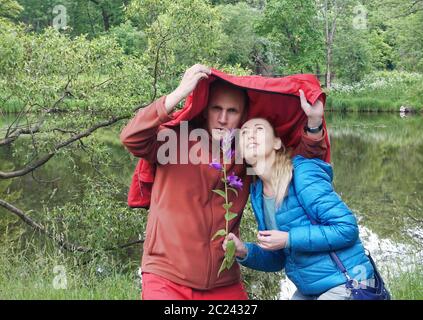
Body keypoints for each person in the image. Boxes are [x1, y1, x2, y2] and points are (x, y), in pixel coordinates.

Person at [120, 64, 328, 300]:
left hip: (223, 280)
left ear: (243, 116)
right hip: (167, 276)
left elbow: (300, 166)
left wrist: (313, 123)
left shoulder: (247, 153)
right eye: (216, 109)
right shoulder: (174, 141)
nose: (222, 118)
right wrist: (180, 93)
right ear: (205, 110)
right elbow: (132, 137)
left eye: (232, 111)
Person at [223, 117, 375, 300]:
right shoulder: (257, 194)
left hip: (349, 282)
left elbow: (347, 229)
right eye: (244, 133)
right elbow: (278, 258)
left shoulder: (302, 174)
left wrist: (289, 238)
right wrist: (244, 251)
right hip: (311, 289)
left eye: (259, 129)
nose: (250, 136)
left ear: (277, 143)